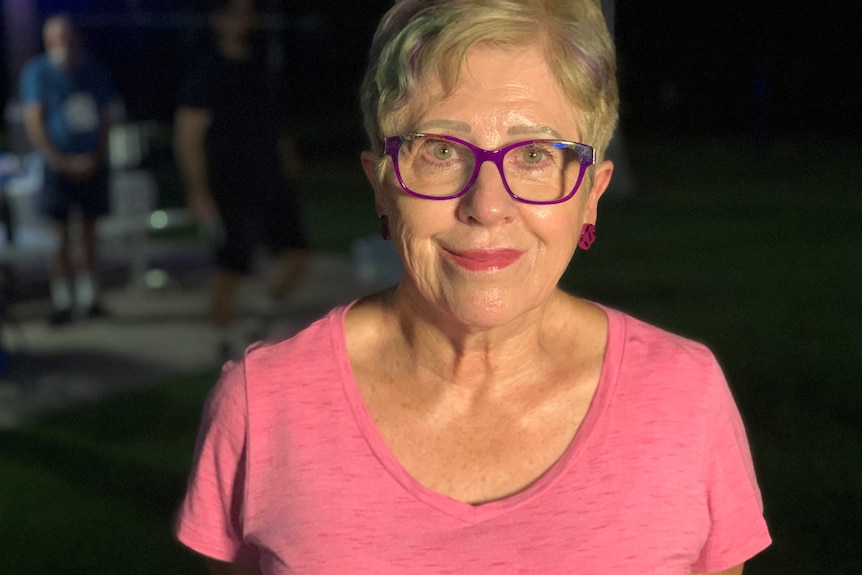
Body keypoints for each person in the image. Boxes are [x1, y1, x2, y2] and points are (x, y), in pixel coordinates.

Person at [175, 1, 772, 573]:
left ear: (592, 194)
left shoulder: (683, 401)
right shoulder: (262, 408)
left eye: (535, 153)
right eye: (440, 150)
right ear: (381, 184)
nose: (487, 205)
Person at [174, 0, 310, 361]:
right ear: (218, 19)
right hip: (229, 184)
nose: (242, 19)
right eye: (233, 12)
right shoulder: (205, 70)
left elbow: (272, 118)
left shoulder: (260, 64)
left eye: (247, 11)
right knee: (232, 266)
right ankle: (224, 339)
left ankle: (261, 316)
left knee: (298, 254)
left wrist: (285, 153)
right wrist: (198, 191)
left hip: (270, 177)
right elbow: (188, 136)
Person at [20, 14, 115, 324]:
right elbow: (34, 120)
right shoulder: (37, 72)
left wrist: (96, 157)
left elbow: (105, 117)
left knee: (89, 232)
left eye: (67, 38)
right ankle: (62, 301)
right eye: (55, 40)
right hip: (56, 168)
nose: (63, 46)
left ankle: (90, 298)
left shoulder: (94, 70)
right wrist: (58, 160)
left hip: (92, 164)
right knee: (58, 235)